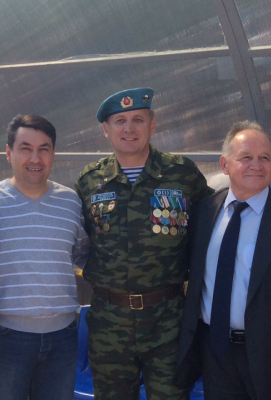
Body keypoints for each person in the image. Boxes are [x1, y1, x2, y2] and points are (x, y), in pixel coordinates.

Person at [74, 88, 213, 400]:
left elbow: (209, 225)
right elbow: (79, 239)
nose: (129, 128)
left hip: (168, 321)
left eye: (138, 119)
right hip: (109, 321)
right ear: (106, 129)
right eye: (120, 121)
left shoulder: (182, 174)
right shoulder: (90, 181)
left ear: (153, 125)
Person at [174, 121, 271, 400]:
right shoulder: (202, 214)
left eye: (264, 158)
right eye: (246, 157)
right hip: (215, 356)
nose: (256, 165)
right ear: (225, 165)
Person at [0, 114, 90, 400]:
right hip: (5, 336)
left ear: (53, 154)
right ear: (9, 153)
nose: (35, 158)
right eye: (25, 148)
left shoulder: (71, 202)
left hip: (62, 336)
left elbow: (81, 253)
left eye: (44, 149)